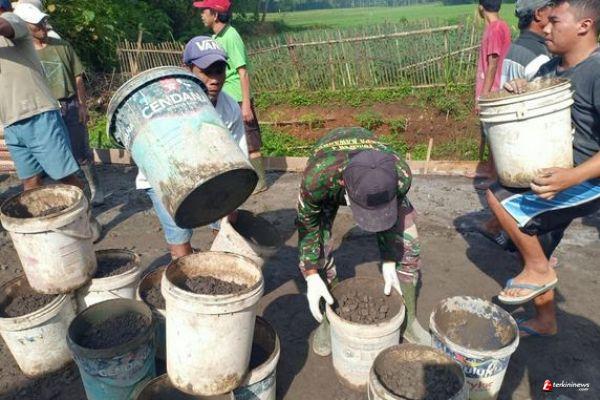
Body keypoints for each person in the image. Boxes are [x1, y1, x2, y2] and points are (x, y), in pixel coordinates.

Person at [488, 0, 600, 337]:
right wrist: (519, 91)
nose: (545, 29)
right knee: (534, 240)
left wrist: (573, 176)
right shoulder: (550, 69)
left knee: (500, 198)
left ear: (584, 26)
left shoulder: (596, 72)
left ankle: (539, 270)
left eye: (555, 21)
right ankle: (546, 319)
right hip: (557, 173)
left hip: (587, 179)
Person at [296, 127, 430, 355]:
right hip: (330, 179)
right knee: (320, 254)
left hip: (374, 171)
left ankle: (408, 319)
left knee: (408, 246)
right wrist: (311, 274)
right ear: (345, 190)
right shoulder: (317, 179)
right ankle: (330, 318)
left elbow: (392, 224)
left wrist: (390, 259)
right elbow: (307, 227)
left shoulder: (400, 174)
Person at [136, 36, 248, 260]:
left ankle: (219, 262)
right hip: (165, 177)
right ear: (187, 69)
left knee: (227, 223)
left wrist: (232, 201)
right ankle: (186, 270)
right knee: (181, 240)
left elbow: (239, 155)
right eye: (206, 72)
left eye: (219, 71)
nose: (214, 80)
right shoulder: (164, 105)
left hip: (212, 172)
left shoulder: (229, 107)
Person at [14, 2, 104, 206]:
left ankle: (95, 188)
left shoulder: (61, 46)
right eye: (37, 24)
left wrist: (82, 105)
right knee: (54, 158)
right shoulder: (23, 54)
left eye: (44, 22)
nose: (43, 27)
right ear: (24, 28)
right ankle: (67, 197)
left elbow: (78, 77)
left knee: (80, 151)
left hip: (68, 105)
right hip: (43, 111)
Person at [481, 0, 554, 248]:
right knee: (531, 197)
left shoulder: (514, 48)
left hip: (513, 134)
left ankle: (498, 227)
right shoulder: (540, 57)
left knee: (514, 191)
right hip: (530, 136)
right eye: (552, 10)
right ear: (540, 14)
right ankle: (529, 249)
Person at [0, 0, 82, 191]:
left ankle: (85, 210)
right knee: (30, 181)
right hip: (11, 122)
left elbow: (3, 25)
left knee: (64, 177)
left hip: (37, 115)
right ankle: (38, 213)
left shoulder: (12, 19)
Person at [193, 0, 267, 194]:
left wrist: (246, 105)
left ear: (215, 14)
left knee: (250, 142)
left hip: (238, 97)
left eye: (204, 11)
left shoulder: (231, 36)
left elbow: (243, 71)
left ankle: (259, 182)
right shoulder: (214, 39)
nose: (202, 15)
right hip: (223, 97)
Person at [474, 0, 512, 189]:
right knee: (491, 133)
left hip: (493, 90)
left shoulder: (495, 29)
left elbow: (493, 63)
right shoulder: (499, 26)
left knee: (495, 134)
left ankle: (496, 177)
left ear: (481, 7)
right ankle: (490, 171)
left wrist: (484, 95)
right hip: (494, 88)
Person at [500, 0, 553, 85]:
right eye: (551, 5)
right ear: (538, 13)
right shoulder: (540, 57)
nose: (555, 11)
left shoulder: (509, 48)